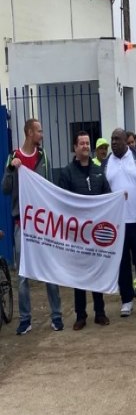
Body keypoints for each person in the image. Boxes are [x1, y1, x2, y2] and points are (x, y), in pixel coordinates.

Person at [2, 118, 62, 334]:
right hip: (22, 222)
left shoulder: (42, 156)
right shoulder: (14, 156)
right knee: (23, 274)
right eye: (39, 131)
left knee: (48, 268)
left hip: (42, 222)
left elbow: (49, 186)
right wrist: (10, 169)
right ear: (29, 133)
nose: (42, 135)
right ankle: (25, 319)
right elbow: (6, 189)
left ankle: (56, 316)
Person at [59, 131, 112, 330]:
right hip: (77, 234)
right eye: (81, 143)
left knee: (97, 272)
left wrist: (117, 200)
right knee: (79, 274)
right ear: (75, 147)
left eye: (87, 143)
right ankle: (80, 315)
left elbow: (107, 196)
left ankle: (100, 312)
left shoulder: (98, 171)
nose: (85, 146)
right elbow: (62, 202)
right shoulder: (66, 173)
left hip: (96, 233)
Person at [104, 128, 136, 318]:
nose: (113, 142)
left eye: (117, 139)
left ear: (127, 141)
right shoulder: (106, 163)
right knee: (122, 264)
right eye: (112, 139)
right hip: (117, 224)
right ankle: (127, 301)